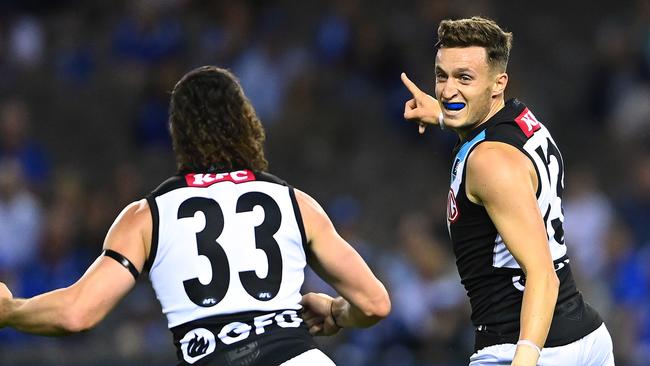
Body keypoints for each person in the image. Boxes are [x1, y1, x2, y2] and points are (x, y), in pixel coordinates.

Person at [0, 66, 391, 366]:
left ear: (177, 132)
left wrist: (10, 311)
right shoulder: (295, 203)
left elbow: (76, 313)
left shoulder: (145, 217)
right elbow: (375, 303)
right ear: (247, 124)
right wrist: (337, 312)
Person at [401, 17, 613, 366]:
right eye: (442, 76)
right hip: (582, 335)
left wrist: (525, 357)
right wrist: (441, 114)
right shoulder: (523, 122)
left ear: (498, 83)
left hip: (524, 345)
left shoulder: (488, 163)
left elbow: (542, 275)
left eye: (464, 78)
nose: (448, 90)